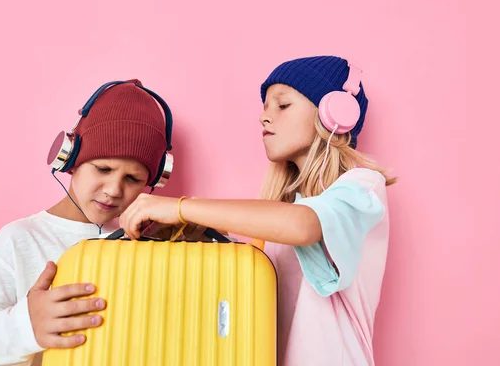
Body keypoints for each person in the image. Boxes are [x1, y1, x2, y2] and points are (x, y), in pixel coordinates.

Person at [118, 56, 397, 365]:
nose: (264, 118)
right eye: (265, 108)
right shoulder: (283, 213)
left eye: (282, 105)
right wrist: (208, 242)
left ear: (336, 114)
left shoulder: (362, 188)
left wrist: (183, 208)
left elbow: (303, 226)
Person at [0, 79, 177, 365]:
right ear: (69, 158)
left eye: (132, 178)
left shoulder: (152, 244)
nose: (113, 190)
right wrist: (26, 327)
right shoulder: (20, 239)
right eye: (103, 168)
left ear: (152, 182)